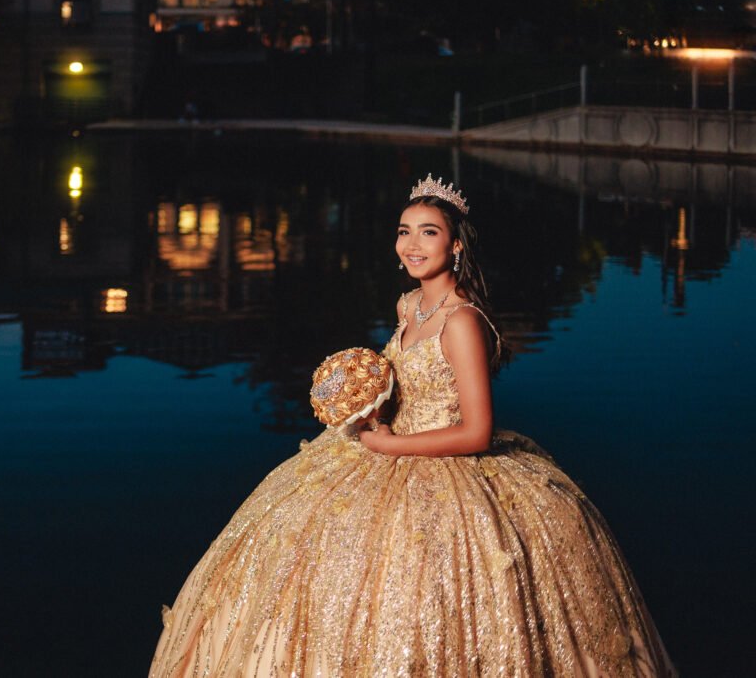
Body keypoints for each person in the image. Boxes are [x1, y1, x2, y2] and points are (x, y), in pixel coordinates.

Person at [150, 175, 676, 676]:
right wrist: (363, 403)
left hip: (439, 462)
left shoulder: (462, 322)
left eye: (429, 232)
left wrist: (390, 444)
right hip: (384, 445)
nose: (412, 244)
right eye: (405, 231)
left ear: (457, 247)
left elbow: (477, 433)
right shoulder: (410, 304)